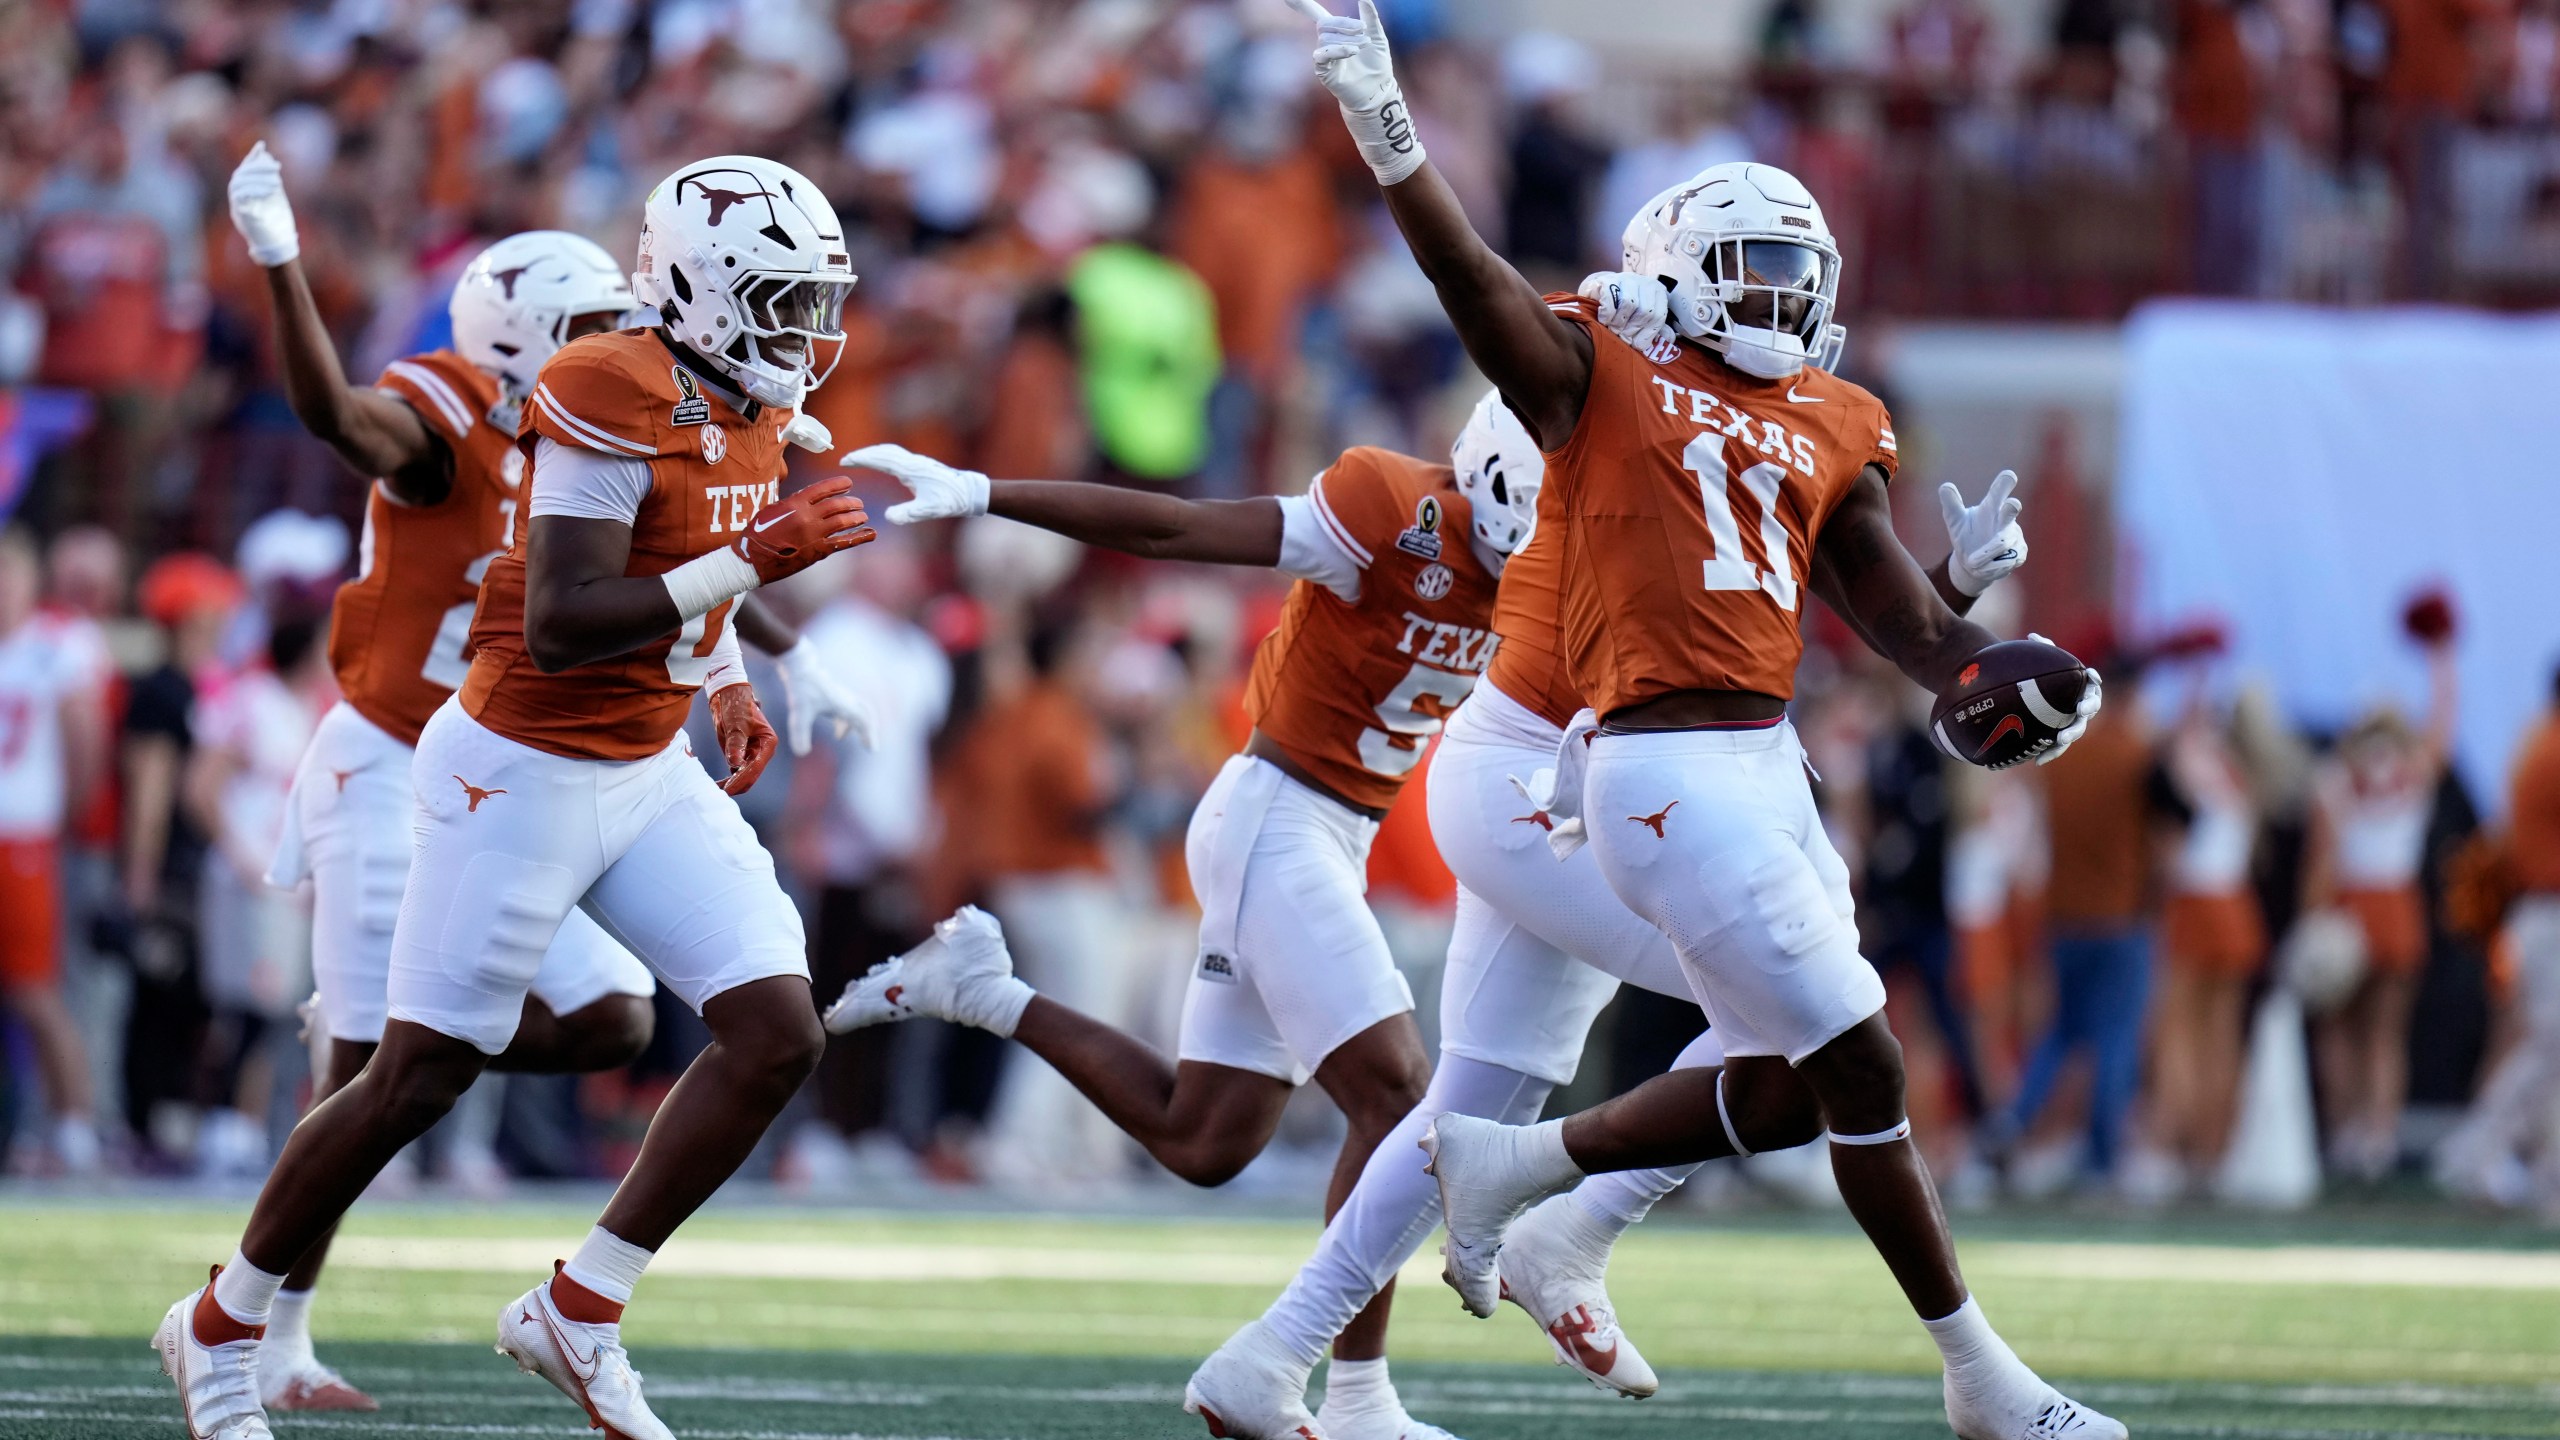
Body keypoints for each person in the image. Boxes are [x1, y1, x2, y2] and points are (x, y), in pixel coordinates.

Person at [1271, 8, 2113, 1440]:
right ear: (1675, 273)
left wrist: (1997, 658)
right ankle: (1978, 1374)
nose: (1783, 301)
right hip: (1649, 763)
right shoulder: (1600, 368)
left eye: (1801, 274)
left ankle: (1530, 1189)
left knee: (1804, 1071)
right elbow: (1466, 278)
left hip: (1762, 759)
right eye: (1755, 273)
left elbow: (1903, 629)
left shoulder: (1835, 416)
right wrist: (1388, 126)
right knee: (1851, 1057)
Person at [157, 153, 877, 1440]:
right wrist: (752, 560)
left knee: (777, 1028)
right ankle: (222, 1322)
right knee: (410, 1076)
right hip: (519, 767)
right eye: (779, 299)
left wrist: (724, 676)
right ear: (703, 294)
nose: (804, 332)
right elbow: (560, 620)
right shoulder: (601, 386)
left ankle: (581, 1309)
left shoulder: (747, 395)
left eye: (812, 301)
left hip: (646, 763)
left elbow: (682, 568)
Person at [835, 382, 1653, 1440]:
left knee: (1204, 1138)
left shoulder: (1548, 579)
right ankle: (1354, 1397)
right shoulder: (1383, 508)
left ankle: (982, 990)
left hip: (1327, 836)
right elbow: (1179, 527)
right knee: (1402, 1097)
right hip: (1279, 816)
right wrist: (991, 492)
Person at [2304, 629, 2456, 1181]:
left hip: (2351, 907)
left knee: (2340, 1029)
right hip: (2397, 906)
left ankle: (2345, 1134)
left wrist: (2314, 918)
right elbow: (2442, 728)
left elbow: (2322, 860)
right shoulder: (2413, 771)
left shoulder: (2335, 778)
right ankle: (2379, 1136)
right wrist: (2442, 662)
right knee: (2386, 1034)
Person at [0, 526, 110, 1175]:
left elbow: (85, 745)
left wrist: (64, 814)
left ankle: (75, 1127)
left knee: (36, 992)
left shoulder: (56, 648)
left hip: (25, 836)